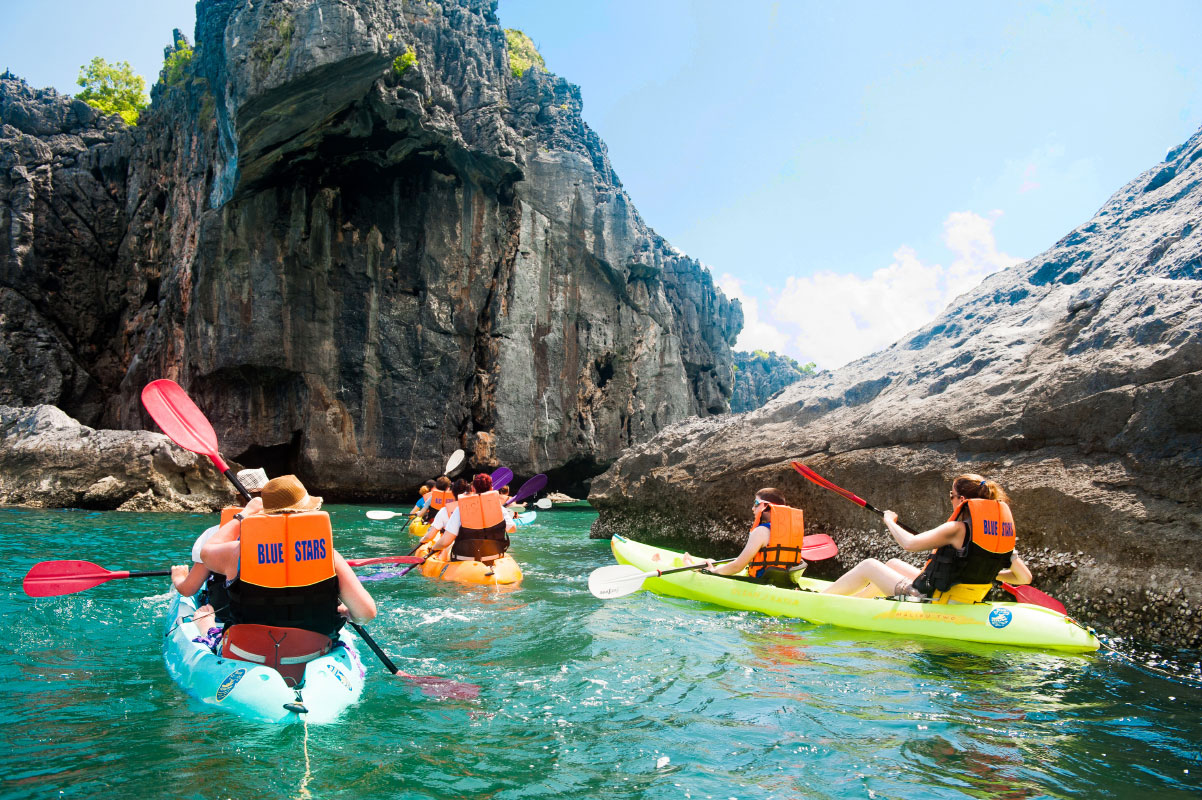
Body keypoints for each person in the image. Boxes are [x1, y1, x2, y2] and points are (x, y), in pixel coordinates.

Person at [200, 475, 377, 684]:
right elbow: (366, 614)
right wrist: (346, 611)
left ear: (264, 514)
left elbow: (206, 551)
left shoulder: (237, 553)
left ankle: (206, 625)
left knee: (204, 620)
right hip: (311, 654)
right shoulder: (329, 556)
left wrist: (243, 516)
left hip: (246, 653)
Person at [822, 473, 1033, 603]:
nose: (951, 499)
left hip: (935, 598)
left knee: (869, 565)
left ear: (962, 500)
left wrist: (889, 521)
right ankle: (856, 604)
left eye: (951, 495)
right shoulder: (997, 535)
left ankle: (820, 600)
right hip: (965, 596)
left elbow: (909, 544)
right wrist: (986, 571)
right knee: (892, 563)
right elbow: (1024, 579)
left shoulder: (956, 529)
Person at [171, 467, 269, 633]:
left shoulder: (213, 534)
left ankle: (207, 627)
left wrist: (179, 578)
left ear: (236, 500)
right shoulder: (290, 535)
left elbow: (188, 589)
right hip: (277, 618)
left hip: (226, 620)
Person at [685, 488, 806, 585]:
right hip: (782, 583)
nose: (753, 508)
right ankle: (703, 565)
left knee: (710, 567)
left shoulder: (761, 531)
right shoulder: (793, 533)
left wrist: (712, 571)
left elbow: (737, 566)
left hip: (760, 584)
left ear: (767, 506)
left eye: (756, 503)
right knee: (712, 562)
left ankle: (690, 567)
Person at [427, 473, 516, 563]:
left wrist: (433, 548)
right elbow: (512, 529)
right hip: (494, 556)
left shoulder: (460, 509)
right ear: (491, 489)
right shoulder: (499, 508)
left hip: (464, 559)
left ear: (473, 489)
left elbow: (445, 541)